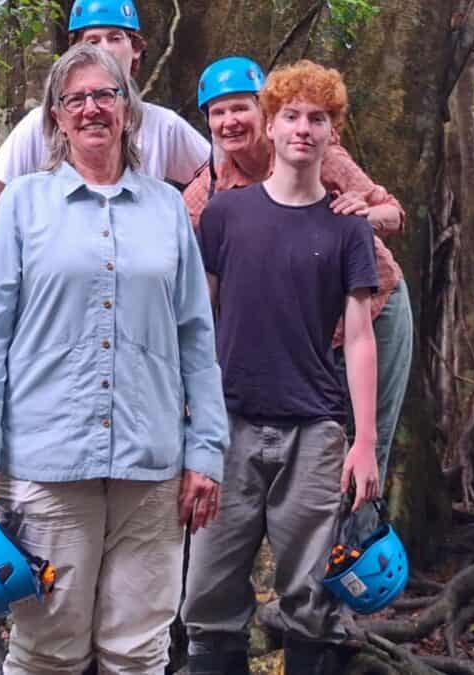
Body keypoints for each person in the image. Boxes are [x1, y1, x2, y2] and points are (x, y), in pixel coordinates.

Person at [0, 43, 229, 675]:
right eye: (75, 99)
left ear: (129, 110)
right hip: (47, 461)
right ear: (56, 117)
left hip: (152, 465)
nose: (92, 109)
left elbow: (196, 340)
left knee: (139, 651)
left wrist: (206, 450)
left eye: (106, 95)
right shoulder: (24, 203)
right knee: (49, 650)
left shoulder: (166, 208)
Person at [181, 60, 380, 675]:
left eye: (316, 119)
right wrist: (188, 413)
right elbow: (195, 322)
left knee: (312, 595)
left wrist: (365, 441)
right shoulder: (223, 215)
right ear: (271, 125)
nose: (302, 129)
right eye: (290, 116)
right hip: (228, 429)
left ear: (332, 133)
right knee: (207, 595)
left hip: (314, 431)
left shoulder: (348, 229)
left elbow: (359, 335)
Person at [183, 56, 413, 542]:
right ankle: (304, 577)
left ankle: (352, 576)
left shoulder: (313, 151)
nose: (230, 123)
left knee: (364, 443)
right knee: (312, 456)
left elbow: (393, 212)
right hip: (296, 337)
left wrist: (357, 218)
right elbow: (181, 252)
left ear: (262, 112)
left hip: (372, 311)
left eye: (240, 109)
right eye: (218, 113)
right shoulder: (213, 189)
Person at [0, 0, 209, 221]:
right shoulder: (42, 124)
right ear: (76, 53)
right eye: (92, 41)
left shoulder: (163, 126)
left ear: (136, 49)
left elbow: (221, 173)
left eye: (115, 38)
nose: (104, 49)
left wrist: (180, 217)